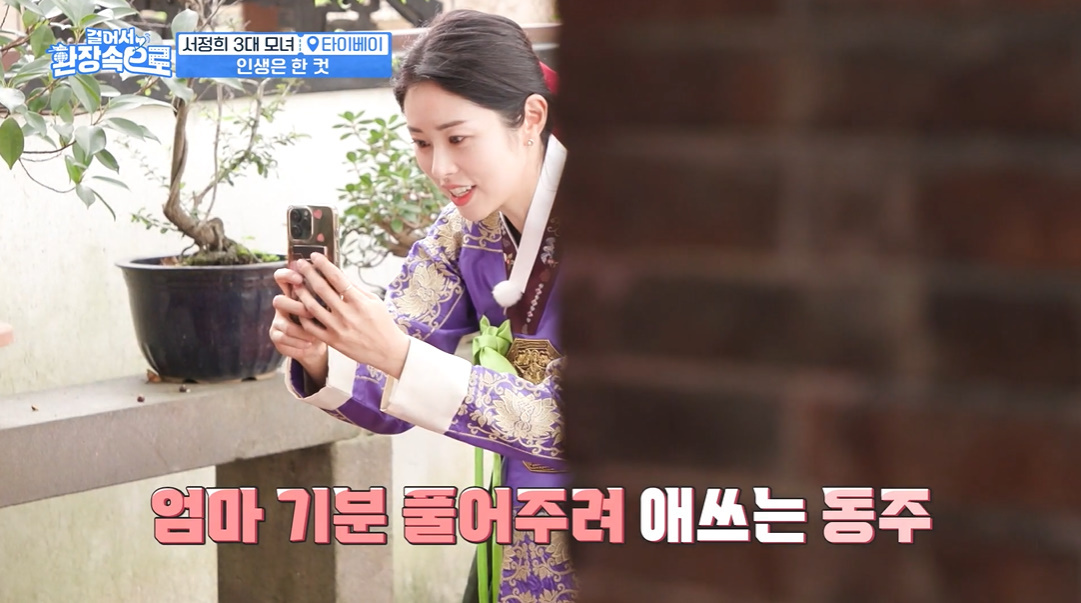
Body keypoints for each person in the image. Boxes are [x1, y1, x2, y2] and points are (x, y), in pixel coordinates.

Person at [268, 9, 575, 603]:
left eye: (458, 139)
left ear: (531, 118)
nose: (440, 168)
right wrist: (323, 352)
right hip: (526, 522)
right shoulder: (462, 233)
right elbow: (398, 359)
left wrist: (396, 353)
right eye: (421, 142)